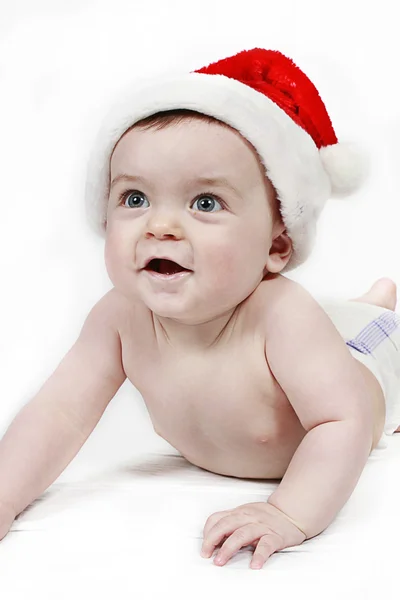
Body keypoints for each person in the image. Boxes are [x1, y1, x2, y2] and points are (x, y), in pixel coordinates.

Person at [0, 48, 399, 570]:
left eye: (205, 203)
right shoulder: (120, 317)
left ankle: (379, 307)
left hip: (370, 367)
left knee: (371, 337)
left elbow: (342, 420)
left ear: (277, 248)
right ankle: (368, 302)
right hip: (324, 343)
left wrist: (290, 513)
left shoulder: (282, 315)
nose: (160, 226)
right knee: (341, 325)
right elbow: (60, 412)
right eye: (135, 199)